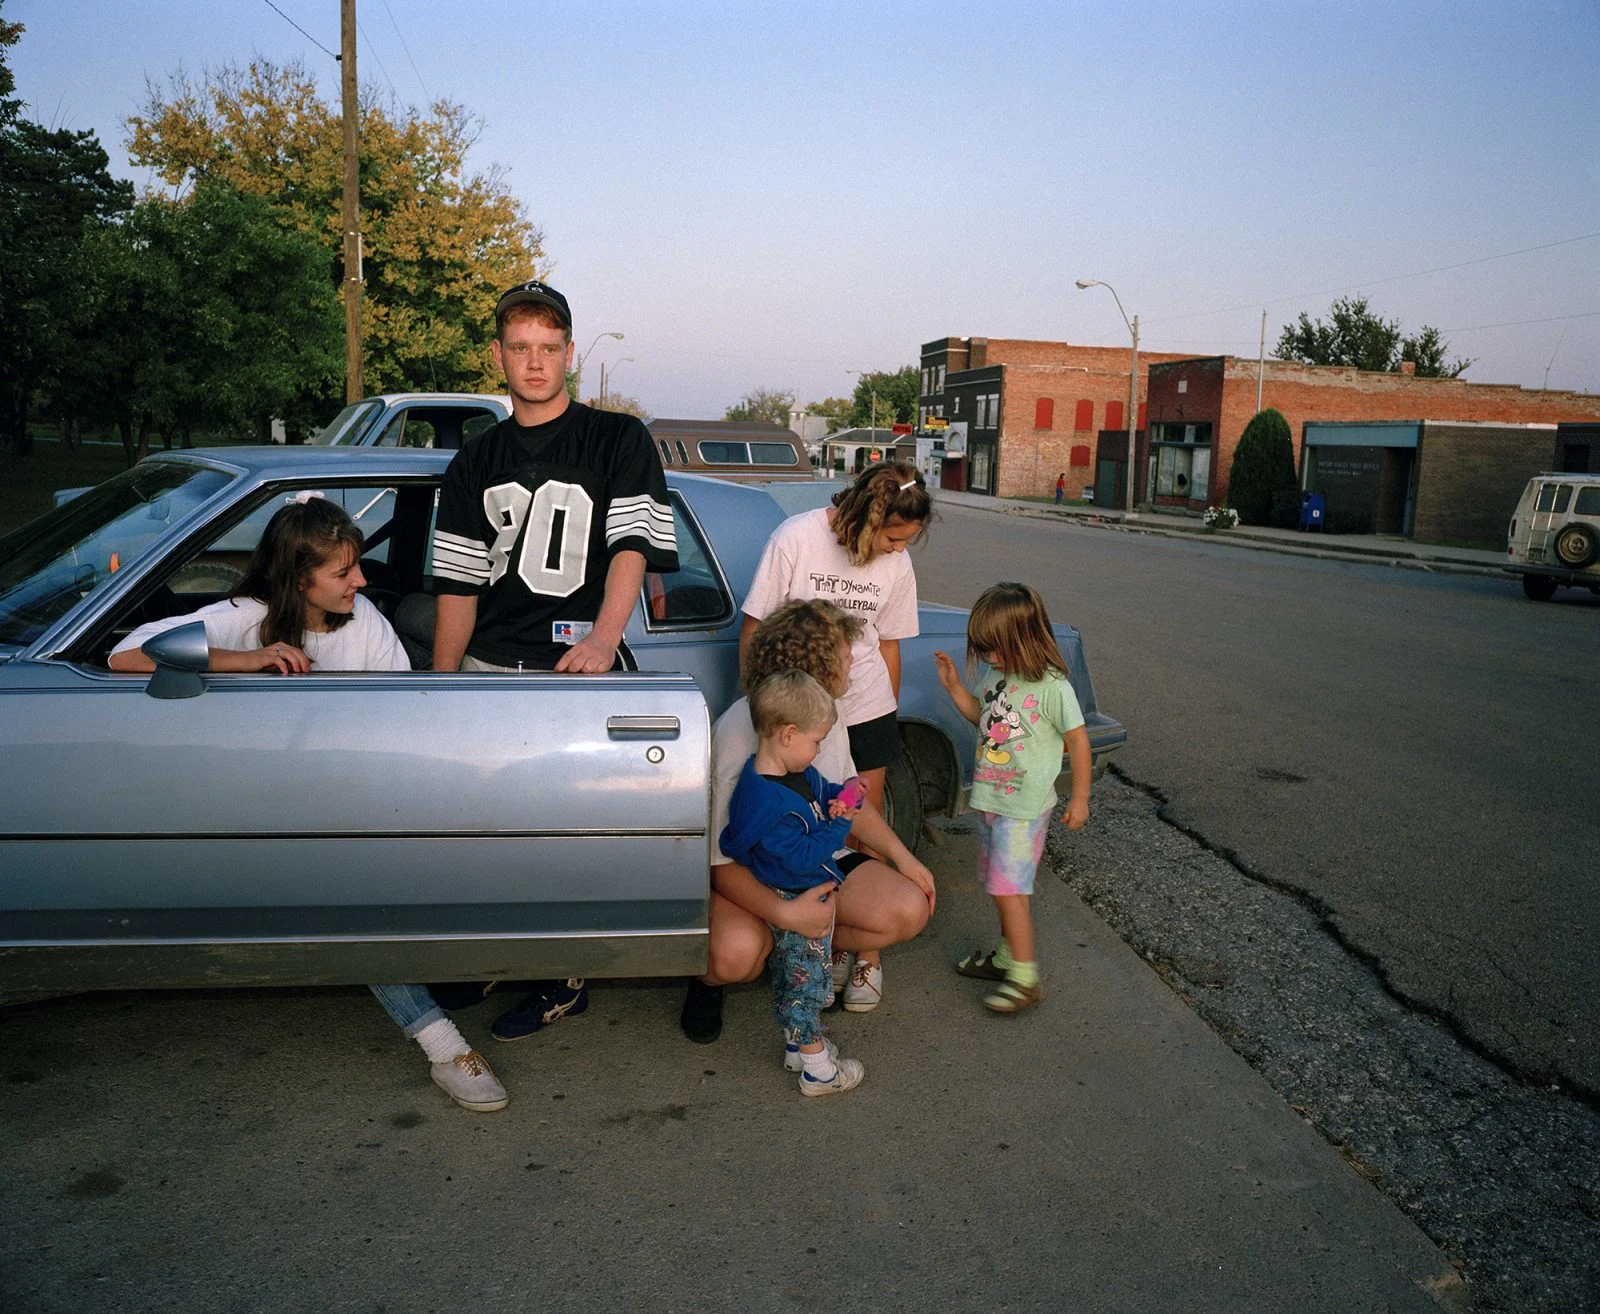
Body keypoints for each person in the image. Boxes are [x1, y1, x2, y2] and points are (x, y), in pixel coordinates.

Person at [111, 500, 509, 1112]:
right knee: (349, 896)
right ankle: (444, 1047)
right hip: (257, 812)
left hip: (357, 802)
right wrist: (248, 661)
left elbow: (408, 710)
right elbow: (128, 655)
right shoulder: (244, 617)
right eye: (344, 572)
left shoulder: (365, 620)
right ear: (300, 579)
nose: (362, 580)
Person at [429, 278, 679, 1043]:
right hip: (490, 666)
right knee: (486, 831)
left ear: (569, 352)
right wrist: (440, 687)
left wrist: (605, 638)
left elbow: (632, 548)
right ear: (497, 357)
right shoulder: (476, 459)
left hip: (574, 670)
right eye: (519, 348)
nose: (534, 363)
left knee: (564, 835)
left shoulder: (616, 439)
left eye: (548, 348)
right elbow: (459, 585)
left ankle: (562, 974)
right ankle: (502, 951)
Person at [681, 599, 935, 1044]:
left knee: (910, 907)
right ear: (815, 660)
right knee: (737, 955)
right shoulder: (740, 730)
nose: (854, 660)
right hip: (750, 873)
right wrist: (784, 913)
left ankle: (798, 955)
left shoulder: (821, 712)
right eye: (845, 651)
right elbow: (719, 860)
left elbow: (849, 798)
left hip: (810, 859)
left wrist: (903, 857)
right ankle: (713, 981)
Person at [737, 462, 931, 1013]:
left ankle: (866, 955)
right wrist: (757, 703)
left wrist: (884, 713)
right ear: (867, 519)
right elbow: (755, 625)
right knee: (802, 821)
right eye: (893, 537)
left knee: (857, 816)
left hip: (863, 703)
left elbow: (887, 643)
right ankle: (814, 936)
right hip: (796, 701)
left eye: (907, 541)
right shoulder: (797, 537)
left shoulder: (898, 563)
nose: (899, 550)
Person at [933, 582, 1091, 1014]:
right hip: (992, 801)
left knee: (1007, 888)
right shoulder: (995, 675)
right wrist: (954, 689)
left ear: (1024, 638)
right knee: (1002, 886)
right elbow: (983, 720)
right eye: (982, 650)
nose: (987, 658)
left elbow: (1078, 742)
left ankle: (1025, 979)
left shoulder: (1052, 687)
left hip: (1023, 809)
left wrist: (1079, 798)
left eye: (994, 650)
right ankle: (1007, 958)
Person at [719, 670, 867, 1095]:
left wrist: (846, 794)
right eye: (816, 741)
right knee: (809, 983)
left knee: (792, 975)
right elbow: (805, 853)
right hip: (798, 896)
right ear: (787, 734)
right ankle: (818, 1070)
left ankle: (794, 1049)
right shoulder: (773, 805)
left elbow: (823, 791)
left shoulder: (790, 775)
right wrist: (842, 826)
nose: (819, 749)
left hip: (797, 892)